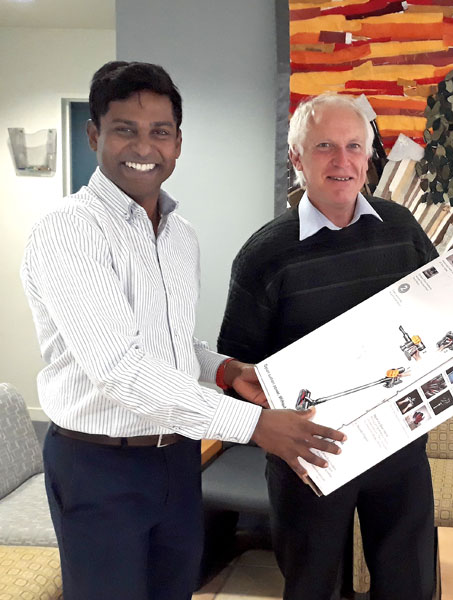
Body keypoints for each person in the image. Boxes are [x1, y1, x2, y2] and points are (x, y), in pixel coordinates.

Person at [20, 61, 344, 600]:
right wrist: (256, 425)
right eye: (125, 128)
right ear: (95, 134)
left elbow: (167, 345)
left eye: (160, 132)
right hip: (100, 465)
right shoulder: (68, 231)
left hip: (176, 459)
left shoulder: (179, 235)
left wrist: (223, 369)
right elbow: (121, 370)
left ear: (177, 144)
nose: (144, 146)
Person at [218, 92, 437, 600]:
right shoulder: (264, 255)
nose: (342, 161)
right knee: (312, 588)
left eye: (354, 147)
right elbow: (235, 368)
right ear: (297, 159)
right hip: (309, 461)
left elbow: (440, 315)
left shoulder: (402, 230)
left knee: (409, 587)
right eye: (324, 147)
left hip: (398, 449)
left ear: (368, 157)